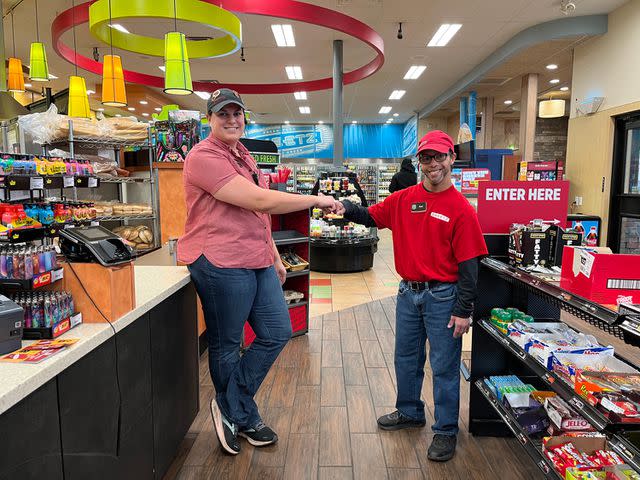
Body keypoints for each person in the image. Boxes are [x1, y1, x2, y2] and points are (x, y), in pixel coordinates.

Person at [177, 88, 337, 456]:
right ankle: (244, 417)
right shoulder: (202, 157)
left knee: (277, 331)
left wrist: (275, 256)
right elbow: (259, 200)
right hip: (218, 259)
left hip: (256, 257)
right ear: (210, 119)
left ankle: (230, 405)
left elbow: (259, 214)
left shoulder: (243, 154)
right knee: (228, 343)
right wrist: (315, 198)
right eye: (223, 114)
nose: (232, 120)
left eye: (237, 113)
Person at [329, 130, 487, 462]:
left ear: (451, 158)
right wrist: (341, 205)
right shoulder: (405, 199)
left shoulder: (461, 209)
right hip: (407, 294)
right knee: (406, 359)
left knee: (443, 367)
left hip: (444, 297)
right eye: (426, 158)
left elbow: (470, 267)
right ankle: (410, 411)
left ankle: (445, 430)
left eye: (440, 157)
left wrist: (463, 309)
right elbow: (370, 215)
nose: (433, 165)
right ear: (419, 162)